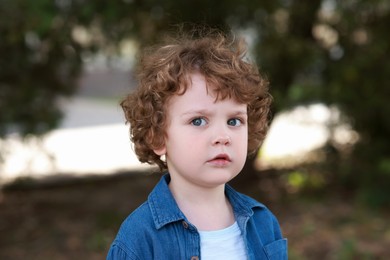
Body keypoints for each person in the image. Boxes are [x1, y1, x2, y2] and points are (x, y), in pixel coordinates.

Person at [107, 27, 287, 260]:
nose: (223, 136)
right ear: (158, 137)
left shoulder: (263, 224)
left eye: (234, 121)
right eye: (198, 120)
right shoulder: (140, 237)